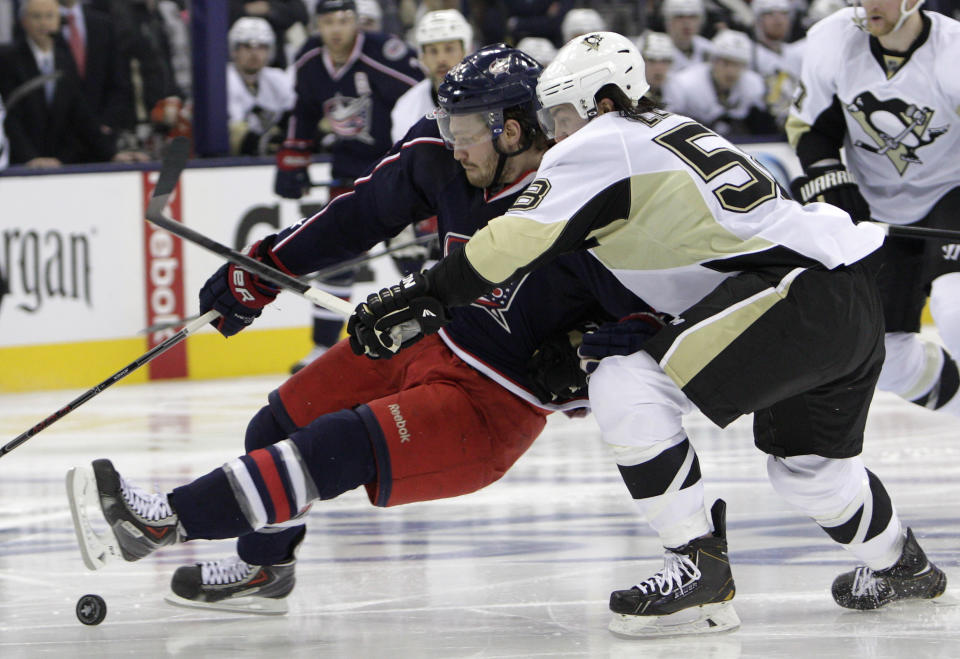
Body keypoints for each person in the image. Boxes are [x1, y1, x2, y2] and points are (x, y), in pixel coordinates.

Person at [349, 32, 948, 636]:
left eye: (560, 115)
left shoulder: (605, 141)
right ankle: (902, 564)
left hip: (792, 297)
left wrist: (422, 296)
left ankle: (696, 564)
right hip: (842, 300)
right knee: (808, 469)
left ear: (603, 103)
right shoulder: (673, 131)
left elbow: (513, 239)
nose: (554, 134)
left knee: (626, 383)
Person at [66, 44, 651, 616]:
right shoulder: (443, 158)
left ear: (514, 131)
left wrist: (580, 370)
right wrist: (265, 269)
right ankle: (265, 568)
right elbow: (361, 213)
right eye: (447, 122)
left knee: (336, 447)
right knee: (277, 423)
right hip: (429, 338)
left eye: (465, 127)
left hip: (489, 402)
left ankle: (165, 521)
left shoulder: (583, 202)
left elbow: (644, 326)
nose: (451, 141)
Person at [787, 1, 960, 417]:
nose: (868, 5)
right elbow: (809, 127)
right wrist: (828, 174)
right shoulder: (833, 39)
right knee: (881, 353)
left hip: (951, 191)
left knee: (954, 308)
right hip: (875, 206)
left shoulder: (953, 50)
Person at [276, 0, 422, 373]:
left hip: (393, 171)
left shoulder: (382, 53)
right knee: (335, 256)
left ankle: (428, 339)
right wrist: (294, 160)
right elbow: (304, 113)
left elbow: (420, 102)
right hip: (348, 174)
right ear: (317, 26)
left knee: (412, 257)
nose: (336, 30)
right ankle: (323, 345)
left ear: (356, 22)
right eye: (328, 22)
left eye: (343, 20)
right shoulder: (310, 63)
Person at [0, 0, 139, 166]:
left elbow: (80, 114)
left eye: (49, 16)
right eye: (36, 16)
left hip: (58, 162)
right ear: (24, 21)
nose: (43, 22)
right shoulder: (9, 59)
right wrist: (29, 157)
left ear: (59, 20)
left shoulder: (64, 60)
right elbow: (10, 118)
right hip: (20, 164)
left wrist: (112, 154)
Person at [663, 29, 777, 137]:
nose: (731, 71)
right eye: (726, 63)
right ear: (713, 61)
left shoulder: (754, 85)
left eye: (737, 64)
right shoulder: (685, 83)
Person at [226, 16, 295, 155]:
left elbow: (294, 114)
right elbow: (234, 130)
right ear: (234, 50)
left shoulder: (278, 78)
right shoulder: (224, 79)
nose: (254, 53)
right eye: (247, 46)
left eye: (262, 47)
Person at [661, 0, 713, 71]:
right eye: (680, 16)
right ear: (668, 20)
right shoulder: (652, 48)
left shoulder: (709, 49)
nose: (686, 23)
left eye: (692, 17)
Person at [637, 31, 674, 105]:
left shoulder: (678, 92)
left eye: (664, 61)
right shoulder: (627, 94)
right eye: (651, 60)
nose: (658, 68)